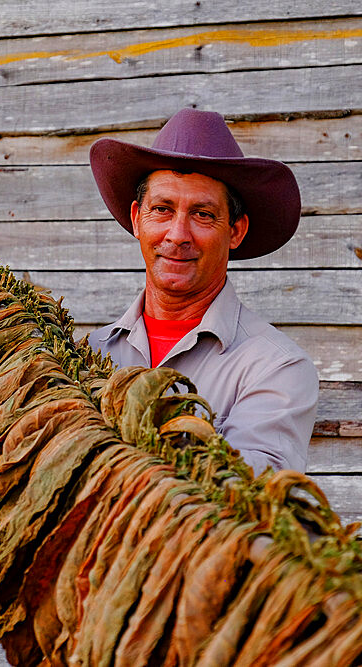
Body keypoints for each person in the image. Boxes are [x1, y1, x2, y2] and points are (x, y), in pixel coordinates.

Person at [87, 108, 319, 474]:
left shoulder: (275, 369)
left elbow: (242, 498)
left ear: (235, 231)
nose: (178, 235)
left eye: (203, 214)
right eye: (162, 209)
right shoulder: (90, 354)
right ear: (136, 219)